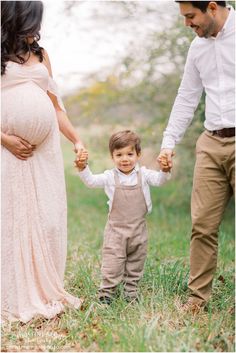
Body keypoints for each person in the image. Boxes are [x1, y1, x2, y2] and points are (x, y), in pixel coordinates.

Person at [1, 1, 85, 323]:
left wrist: (77, 140)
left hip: (44, 151)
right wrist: (5, 139)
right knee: (10, 220)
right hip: (7, 149)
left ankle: (47, 288)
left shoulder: (41, 54)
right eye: (31, 22)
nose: (36, 29)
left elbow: (56, 106)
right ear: (14, 20)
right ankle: (12, 292)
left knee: (48, 217)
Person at [158, 1, 235, 311]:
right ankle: (197, 300)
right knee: (202, 225)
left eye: (191, 16)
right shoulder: (197, 48)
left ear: (212, 8)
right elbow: (187, 96)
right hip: (210, 142)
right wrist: (168, 141)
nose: (187, 24)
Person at [75, 130, 170, 304]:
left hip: (138, 229)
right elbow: (91, 181)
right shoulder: (110, 176)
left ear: (138, 154)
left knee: (136, 261)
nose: (124, 159)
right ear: (112, 156)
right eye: (119, 155)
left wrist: (165, 170)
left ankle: (130, 292)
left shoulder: (145, 175)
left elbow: (160, 180)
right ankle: (107, 293)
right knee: (113, 261)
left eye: (129, 154)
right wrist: (83, 167)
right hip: (116, 230)